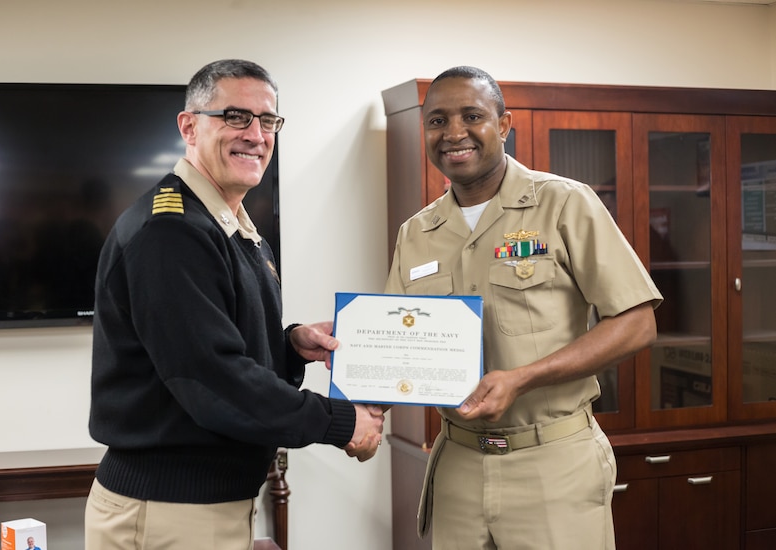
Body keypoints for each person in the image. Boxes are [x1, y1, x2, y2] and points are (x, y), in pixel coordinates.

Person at [85, 59, 384, 550]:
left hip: (200, 507)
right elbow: (212, 378)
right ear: (189, 126)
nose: (256, 134)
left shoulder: (232, 228)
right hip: (169, 513)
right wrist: (342, 421)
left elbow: (223, 345)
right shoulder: (172, 231)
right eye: (235, 116)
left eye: (268, 120)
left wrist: (290, 345)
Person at [384, 66, 663, 550]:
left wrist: (521, 378)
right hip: (457, 465)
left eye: (472, 116)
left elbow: (637, 323)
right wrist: (347, 352)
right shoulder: (417, 232)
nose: (454, 133)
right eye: (437, 121)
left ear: (504, 125)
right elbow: (396, 342)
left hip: (552, 462)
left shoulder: (564, 203)